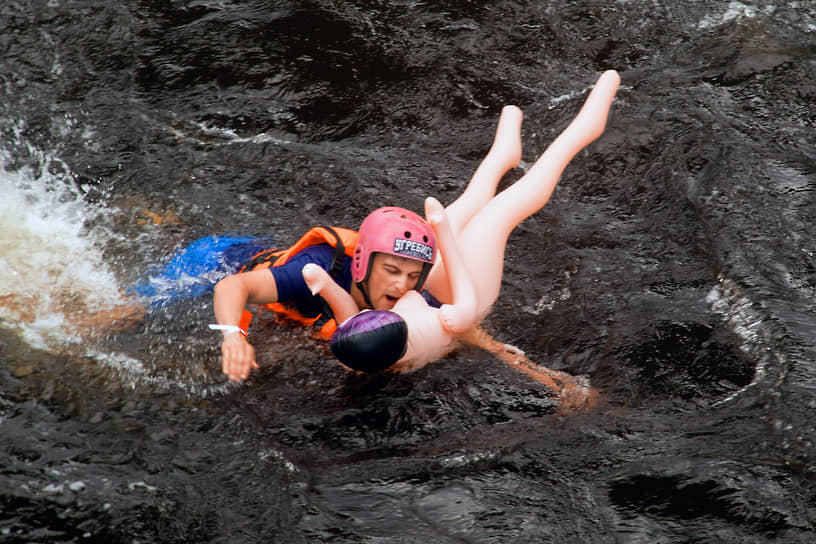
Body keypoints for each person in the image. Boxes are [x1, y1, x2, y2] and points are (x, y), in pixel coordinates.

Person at [302, 70, 620, 405]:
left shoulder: (359, 344)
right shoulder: (435, 331)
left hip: (429, 287)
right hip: (464, 291)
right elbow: (488, 343)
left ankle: (503, 154)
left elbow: (347, 313)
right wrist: (555, 384)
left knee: (467, 203)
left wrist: (322, 282)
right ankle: (586, 127)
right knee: (500, 211)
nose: (393, 299)